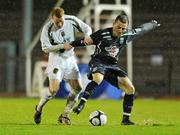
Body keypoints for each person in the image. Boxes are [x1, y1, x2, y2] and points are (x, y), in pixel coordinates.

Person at [64, 12, 160, 125]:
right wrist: (71, 44)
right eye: (118, 27)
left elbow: (141, 29)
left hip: (112, 66)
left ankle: (125, 120)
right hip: (98, 62)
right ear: (114, 24)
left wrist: (152, 24)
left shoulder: (126, 35)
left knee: (130, 89)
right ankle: (82, 104)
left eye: (123, 28)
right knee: (98, 79)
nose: (120, 30)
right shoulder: (102, 34)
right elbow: (85, 41)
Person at [33, 7, 92, 125]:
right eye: (57, 22)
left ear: (63, 17)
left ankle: (65, 116)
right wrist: (61, 46)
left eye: (61, 21)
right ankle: (39, 108)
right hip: (56, 59)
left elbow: (87, 28)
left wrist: (87, 35)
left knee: (78, 88)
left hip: (70, 59)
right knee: (53, 90)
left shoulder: (71, 20)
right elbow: (45, 48)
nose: (60, 24)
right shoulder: (47, 28)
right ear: (52, 19)